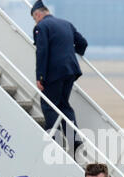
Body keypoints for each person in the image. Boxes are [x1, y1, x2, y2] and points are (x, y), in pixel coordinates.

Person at [31, 0, 88, 152]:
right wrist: (71, 52)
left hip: (54, 73)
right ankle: (75, 142)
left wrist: (40, 77)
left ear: (38, 14)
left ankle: (54, 141)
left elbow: (42, 52)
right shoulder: (66, 23)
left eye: (34, 18)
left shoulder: (41, 26)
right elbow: (82, 43)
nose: (35, 21)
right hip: (71, 71)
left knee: (49, 105)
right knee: (63, 106)